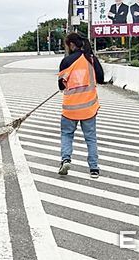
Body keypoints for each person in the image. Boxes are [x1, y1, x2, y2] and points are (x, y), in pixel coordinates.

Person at [57, 33, 104, 178]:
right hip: (89, 108)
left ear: (71, 45)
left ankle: (66, 159)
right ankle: (94, 169)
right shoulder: (91, 59)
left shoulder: (66, 61)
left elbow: (60, 86)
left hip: (70, 109)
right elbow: (101, 79)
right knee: (90, 138)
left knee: (67, 135)